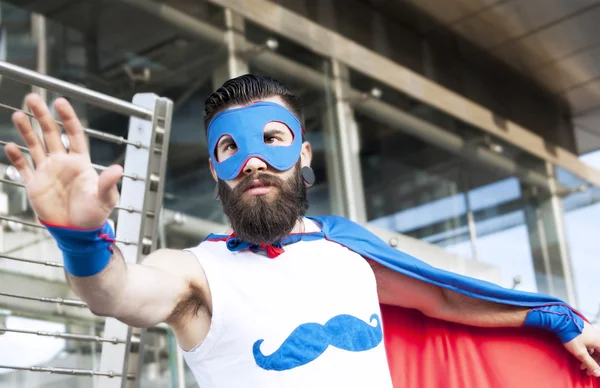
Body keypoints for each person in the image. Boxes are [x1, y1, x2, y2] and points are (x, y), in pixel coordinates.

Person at [4, 74, 599, 388]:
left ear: (304, 153)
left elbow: (445, 299)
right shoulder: (195, 274)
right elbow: (120, 293)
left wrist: (551, 317)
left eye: (272, 141)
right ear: (215, 169)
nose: (253, 162)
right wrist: (80, 238)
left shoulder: (347, 250)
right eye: (230, 149)